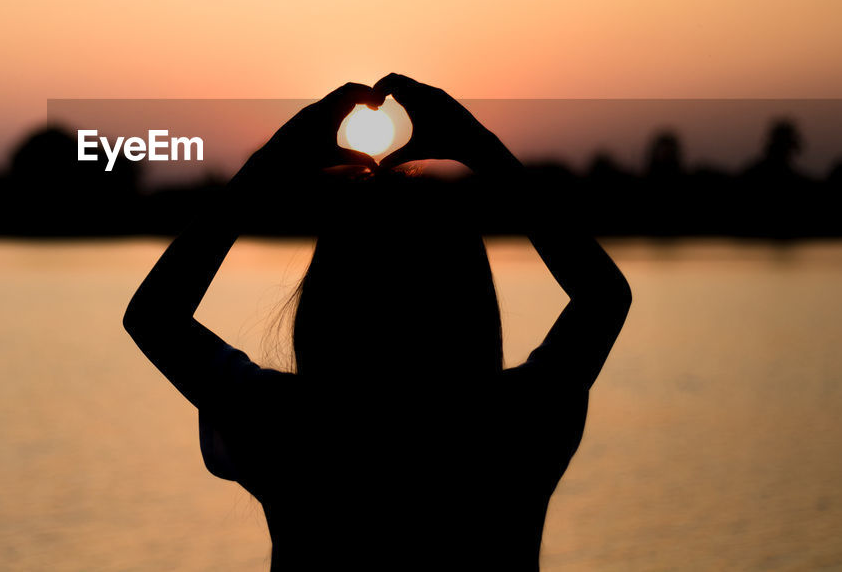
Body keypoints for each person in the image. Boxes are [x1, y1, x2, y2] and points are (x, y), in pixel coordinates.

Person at [123, 74, 632, 570]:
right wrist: (482, 150)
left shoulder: (285, 427)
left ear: (325, 304)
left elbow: (154, 316)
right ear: (467, 298)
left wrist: (266, 168)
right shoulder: (518, 424)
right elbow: (603, 296)